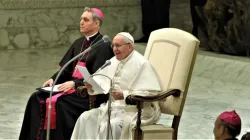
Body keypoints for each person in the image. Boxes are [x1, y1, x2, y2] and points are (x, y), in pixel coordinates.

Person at [19, 7, 114, 140]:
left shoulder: (103, 45)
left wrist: (75, 84)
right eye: (81, 19)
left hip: (86, 93)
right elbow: (66, 70)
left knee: (60, 104)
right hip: (68, 87)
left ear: (97, 24)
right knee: (36, 97)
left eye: (85, 20)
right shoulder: (78, 43)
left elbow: (99, 78)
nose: (81, 22)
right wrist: (53, 79)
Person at [71, 32, 163, 139]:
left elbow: (151, 92)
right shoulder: (112, 61)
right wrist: (91, 85)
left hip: (134, 111)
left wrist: (125, 94)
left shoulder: (141, 63)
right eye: (113, 45)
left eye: (118, 45)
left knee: (110, 125)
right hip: (112, 108)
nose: (114, 49)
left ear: (129, 46)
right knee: (85, 118)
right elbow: (101, 80)